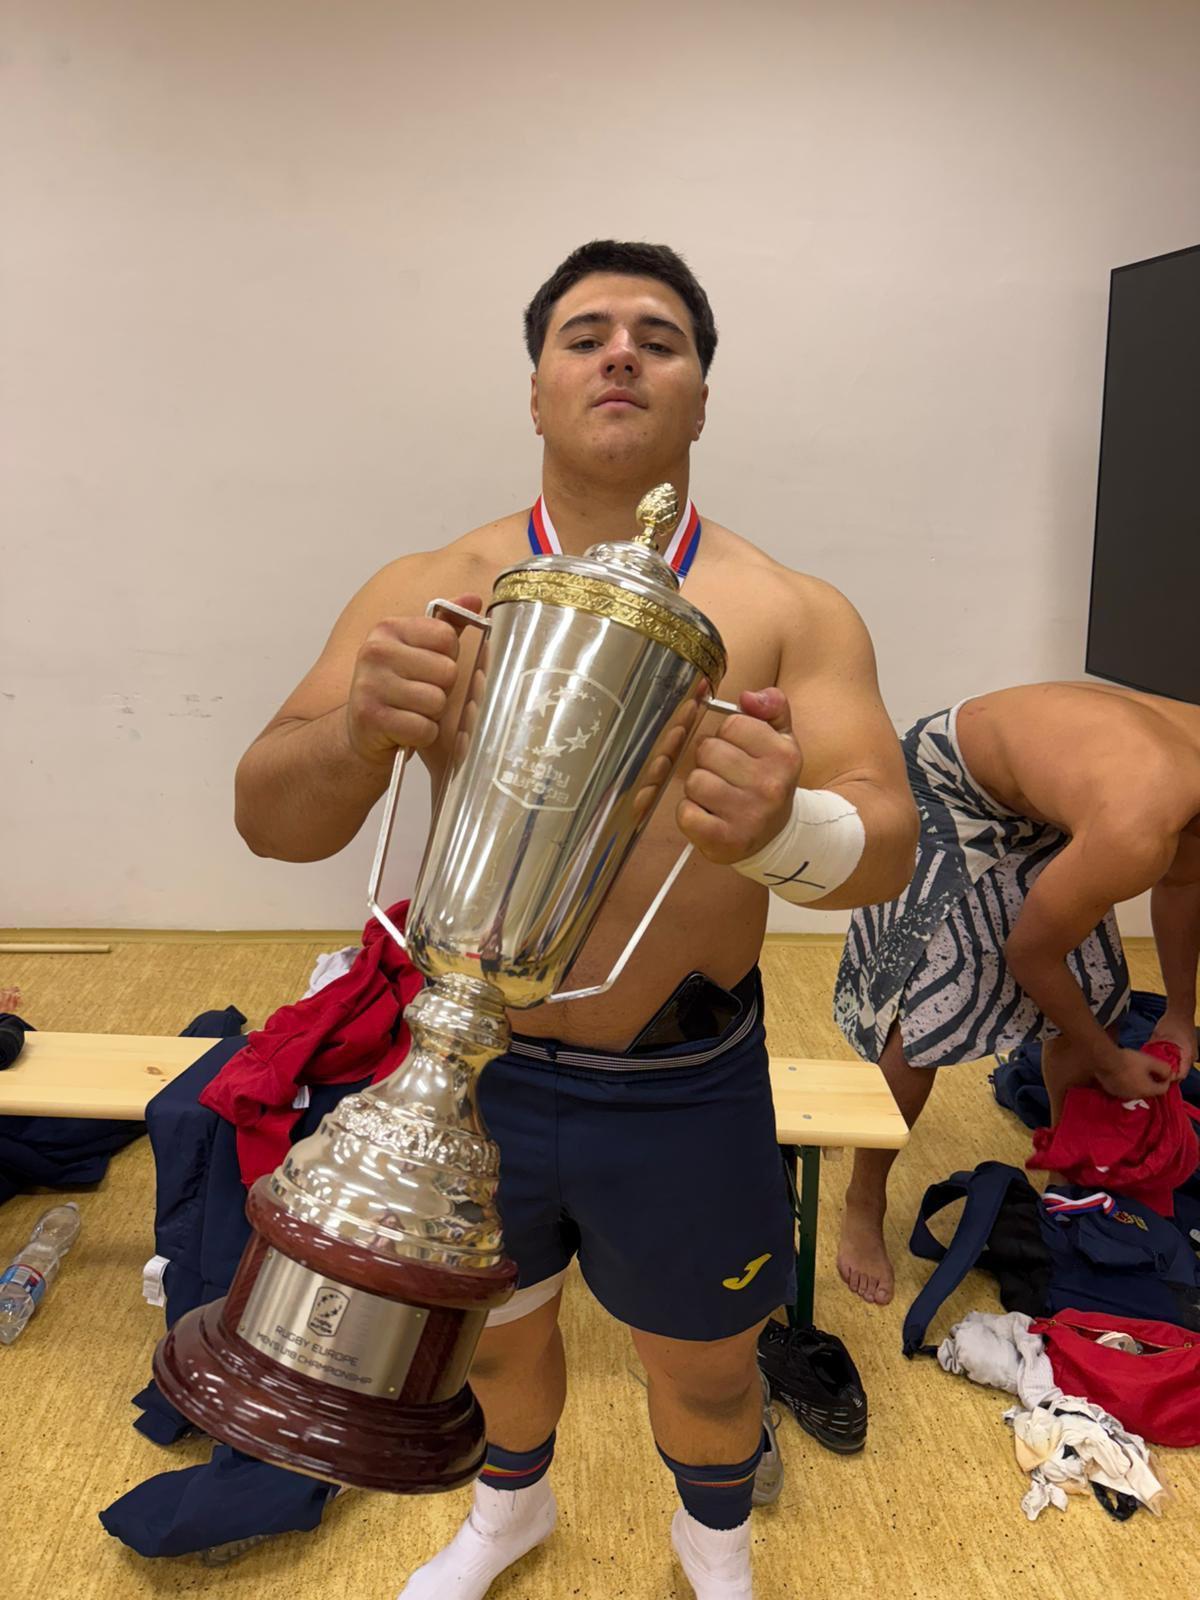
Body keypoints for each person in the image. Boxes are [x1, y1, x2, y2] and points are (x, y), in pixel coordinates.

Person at [235, 239, 917, 1599]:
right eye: (586, 334)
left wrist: (787, 824)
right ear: (538, 388)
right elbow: (271, 815)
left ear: (701, 397)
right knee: (494, 1337)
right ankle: (509, 1518)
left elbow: (886, 844)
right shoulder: (435, 583)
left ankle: (712, 1548)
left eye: (658, 339)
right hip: (469, 1064)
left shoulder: (786, 610)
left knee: (713, 1372)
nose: (620, 355)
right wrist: (361, 734)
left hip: (678, 1082)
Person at [834, 680, 1200, 1307]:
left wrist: (1178, 1016)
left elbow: (1181, 886)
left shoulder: (1175, 798)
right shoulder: (1137, 825)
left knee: (1099, 1000)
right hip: (949, 787)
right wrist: (1111, 1065)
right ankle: (863, 1199)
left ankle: (1067, 1165)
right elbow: (1030, 955)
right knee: (930, 1018)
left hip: (1048, 801)